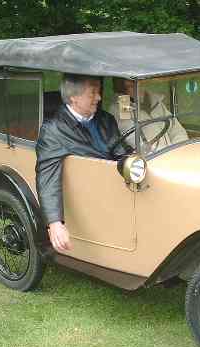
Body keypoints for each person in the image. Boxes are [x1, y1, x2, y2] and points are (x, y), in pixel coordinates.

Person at [36, 73, 130, 253]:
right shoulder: (53, 131)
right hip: (91, 194)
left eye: (99, 92)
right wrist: (55, 224)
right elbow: (48, 177)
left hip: (115, 187)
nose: (99, 97)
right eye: (93, 93)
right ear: (74, 98)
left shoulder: (105, 119)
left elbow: (120, 151)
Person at [109, 78, 188, 151]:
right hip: (152, 159)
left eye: (140, 82)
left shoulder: (156, 101)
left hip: (172, 154)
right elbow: (133, 139)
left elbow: (176, 129)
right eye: (131, 86)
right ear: (123, 90)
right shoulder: (123, 106)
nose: (138, 88)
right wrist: (162, 154)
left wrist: (179, 149)